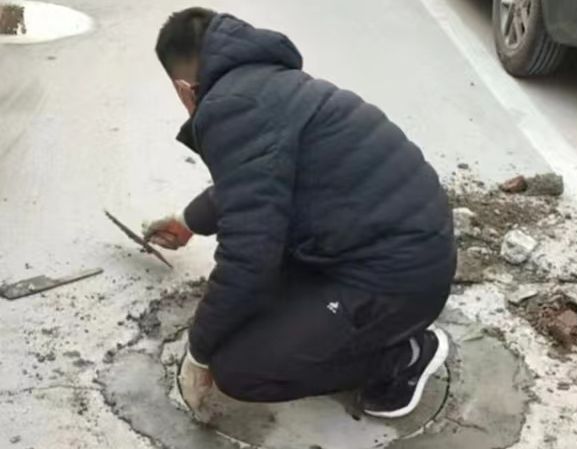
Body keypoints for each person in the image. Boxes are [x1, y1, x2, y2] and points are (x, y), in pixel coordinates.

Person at [145, 7, 456, 420]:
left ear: (184, 89)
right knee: (245, 312)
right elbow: (256, 185)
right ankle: (373, 333)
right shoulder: (266, 84)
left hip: (393, 282)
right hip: (406, 255)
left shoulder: (227, 106)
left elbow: (248, 259)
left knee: (240, 369)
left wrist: (198, 352)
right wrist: (188, 222)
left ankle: (404, 356)